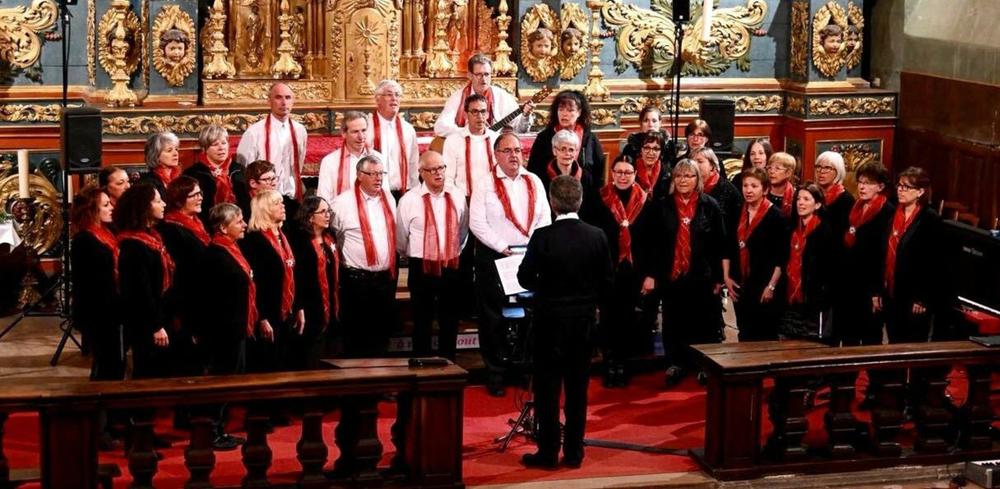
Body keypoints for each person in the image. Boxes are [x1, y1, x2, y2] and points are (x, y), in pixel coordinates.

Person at [517, 175, 612, 469]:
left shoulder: (543, 237)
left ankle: (547, 453)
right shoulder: (597, 236)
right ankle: (574, 453)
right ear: (580, 201)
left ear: (552, 202)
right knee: (577, 391)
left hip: (549, 324)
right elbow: (607, 283)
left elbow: (524, 278)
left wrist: (547, 285)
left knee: (547, 391)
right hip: (582, 325)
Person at [470, 133, 551, 396]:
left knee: (528, 315)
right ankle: (496, 372)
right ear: (496, 155)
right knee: (493, 317)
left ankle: (523, 368)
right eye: (507, 151)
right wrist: (502, 247)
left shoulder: (534, 180)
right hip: (496, 257)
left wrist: (531, 249)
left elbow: (544, 217)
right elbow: (477, 223)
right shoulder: (484, 183)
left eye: (517, 150)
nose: (514, 155)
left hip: (528, 257)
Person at [639, 159, 725, 385]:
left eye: (689, 176)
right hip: (671, 275)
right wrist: (650, 274)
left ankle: (703, 365)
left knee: (703, 321)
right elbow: (652, 246)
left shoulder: (710, 205)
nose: (683, 180)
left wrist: (719, 277)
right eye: (679, 176)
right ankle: (675, 363)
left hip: (702, 275)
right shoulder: (661, 206)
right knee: (673, 320)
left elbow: (719, 244)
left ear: (698, 179)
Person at [396, 151, 469, 359]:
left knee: (450, 319)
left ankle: (449, 362)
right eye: (432, 169)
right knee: (422, 319)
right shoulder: (409, 200)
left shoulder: (456, 195)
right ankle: (422, 363)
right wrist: (411, 254)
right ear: (421, 173)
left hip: (451, 264)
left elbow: (463, 229)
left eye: (441, 168)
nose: (438, 173)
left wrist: (452, 250)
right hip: (421, 266)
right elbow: (401, 237)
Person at [591, 156, 656, 387]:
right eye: (618, 172)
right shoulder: (599, 199)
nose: (623, 176)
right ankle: (609, 364)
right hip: (607, 269)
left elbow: (653, 243)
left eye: (628, 172)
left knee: (628, 319)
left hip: (635, 271)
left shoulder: (646, 201)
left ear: (634, 175)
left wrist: (650, 275)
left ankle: (623, 364)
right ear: (612, 173)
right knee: (608, 318)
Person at [196, 203, 252, 450]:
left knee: (230, 381)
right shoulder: (215, 255)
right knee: (221, 382)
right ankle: (211, 432)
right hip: (222, 331)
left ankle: (219, 429)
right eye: (238, 221)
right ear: (222, 227)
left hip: (236, 327)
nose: (244, 225)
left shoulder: (232, 249)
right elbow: (209, 298)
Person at [70, 186, 123, 448]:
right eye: (105, 205)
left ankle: (110, 423)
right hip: (99, 313)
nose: (111, 207)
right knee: (104, 368)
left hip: (112, 312)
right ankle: (99, 430)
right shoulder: (84, 240)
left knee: (114, 367)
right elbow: (89, 284)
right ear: (91, 210)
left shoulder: (107, 233)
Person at [331, 155, 399, 357]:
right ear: (360, 175)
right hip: (356, 280)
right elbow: (332, 236)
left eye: (381, 173)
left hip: (385, 278)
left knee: (382, 334)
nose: (378, 178)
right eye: (373, 174)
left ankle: (381, 372)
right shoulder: (342, 203)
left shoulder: (388, 198)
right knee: (357, 335)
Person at [874, 166, 942, 344]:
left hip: (913, 298)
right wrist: (877, 291)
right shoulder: (892, 214)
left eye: (906, 187)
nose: (900, 190)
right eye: (899, 186)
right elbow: (881, 254)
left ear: (920, 191)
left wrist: (922, 298)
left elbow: (933, 263)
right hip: (890, 292)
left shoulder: (929, 219)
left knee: (910, 345)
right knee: (892, 342)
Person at [240, 189, 304, 372]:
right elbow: (255, 284)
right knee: (267, 368)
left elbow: (293, 273)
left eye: (282, 202)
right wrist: (262, 317)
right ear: (264, 209)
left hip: (287, 314)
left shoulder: (284, 237)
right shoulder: (253, 241)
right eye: (277, 203)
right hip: (267, 316)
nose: (283, 206)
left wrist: (299, 307)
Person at [722, 168, 786, 341]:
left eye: (754, 186)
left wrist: (771, 286)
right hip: (739, 284)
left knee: (764, 334)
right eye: (745, 185)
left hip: (764, 284)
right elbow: (727, 247)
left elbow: (780, 257)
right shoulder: (737, 212)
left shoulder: (776, 216)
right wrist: (726, 277)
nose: (748, 190)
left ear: (765, 189)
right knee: (744, 332)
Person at [835, 162, 893, 346]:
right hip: (850, 281)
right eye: (860, 182)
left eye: (868, 183)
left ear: (880, 186)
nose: (861, 186)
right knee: (848, 334)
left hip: (870, 284)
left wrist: (877, 291)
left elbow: (882, 256)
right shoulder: (856, 206)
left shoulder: (887, 212)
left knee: (870, 335)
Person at [159, 176, 211, 381]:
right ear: (179, 199)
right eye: (194, 195)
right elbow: (179, 273)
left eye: (200, 193)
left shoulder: (197, 223)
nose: (200, 198)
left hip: (200, 297)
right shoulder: (171, 229)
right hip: (186, 302)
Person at [777, 184, 834, 340]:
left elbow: (829, 269)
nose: (800, 203)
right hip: (790, 299)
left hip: (813, 301)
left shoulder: (824, 232)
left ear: (817, 205)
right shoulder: (791, 230)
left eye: (806, 199)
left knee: (811, 344)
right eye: (798, 199)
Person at [287, 196, 338, 369]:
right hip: (310, 306)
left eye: (328, 211)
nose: (327, 215)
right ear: (310, 217)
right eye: (322, 212)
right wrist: (299, 306)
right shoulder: (299, 242)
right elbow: (297, 278)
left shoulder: (330, 237)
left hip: (331, 303)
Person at [236, 83, 308, 200]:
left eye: (288, 97)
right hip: (264, 198)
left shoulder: (300, 130)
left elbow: (299, 164)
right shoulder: (254, 132)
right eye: (278, 97)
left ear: (293, 101)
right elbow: (245, 170)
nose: (284, 102)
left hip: (292, 194)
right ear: (269, 101)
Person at [434, 54, 533, 138]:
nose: (484, 79)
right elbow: (440, 127)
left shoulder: (502, 96)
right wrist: (467, 132)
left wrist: (525, 116)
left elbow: (520, 129)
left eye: (487, 74)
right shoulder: (458, 97)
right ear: (470, 75)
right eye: (479, 74)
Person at [528, 90, 606, 187]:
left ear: (579, 112)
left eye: (570, 110)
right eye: (561, 109)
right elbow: (533, 171)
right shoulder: (544, 138)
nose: (564, 114)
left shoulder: (590, 139)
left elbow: (599, 174)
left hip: (584, 192)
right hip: (550, 191)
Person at [368, 80, 419, 198]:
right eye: (389, 94)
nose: (394, 98)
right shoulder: (366, 128)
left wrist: (415, 192)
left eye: (397, 95)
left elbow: (413, 164)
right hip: (373, 193)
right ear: (377, 99)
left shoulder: (408, 129)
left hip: (403, 192)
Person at [442, 94, 500, 198]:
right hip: (464, 199)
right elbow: (448, 178)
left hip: (493, 198)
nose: (480, 116)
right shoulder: (453, 141)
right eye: (475, 112)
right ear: (465, 115)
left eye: (483, 111)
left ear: (487, 114)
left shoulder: (496, 139)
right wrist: (457, 200)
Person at [318, 111, 383, 203]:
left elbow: (385, 195)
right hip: (341, 211)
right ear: (344, 133)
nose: (361, 137)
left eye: (364, 130)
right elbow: (324, 199)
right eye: (355, 132)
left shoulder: (379, 158)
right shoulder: (329, 162)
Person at [185, 124, 239, 224]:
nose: (221, 148)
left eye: (224, 143)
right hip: (206, 224)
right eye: (215, 144)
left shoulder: (239, 170)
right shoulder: (193, 174)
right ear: (205, 149)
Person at [537, 129, 597, 215]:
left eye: (571, 150)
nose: (567, 153)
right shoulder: (542, 176)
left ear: (576, 152)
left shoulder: (586, 176)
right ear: (554, 151)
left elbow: (591, 207)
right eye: (563, 149)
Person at [691, 146, 743, 234]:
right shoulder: (689, 187)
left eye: (700, 161)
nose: (694, 165)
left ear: (712, 166)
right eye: (692, 162)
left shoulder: (728, 190)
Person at [814, 151, 855, 240]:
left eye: (827, 168)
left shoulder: (846, 199)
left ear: (838, 171)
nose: (821, 171)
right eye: (818, 167)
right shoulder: (812, 194)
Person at [620, 106, 675, 172]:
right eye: (646, 120)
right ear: (641, 123)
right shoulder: (630, 148)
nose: (650, 125)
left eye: (654, 121)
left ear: (660, 123)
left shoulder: (669, 146)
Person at [139, 131, 181, 197]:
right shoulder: (148, 182)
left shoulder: (181, 178)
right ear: (156, 155)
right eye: (169, 150)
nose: (176, 154)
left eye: (176, 149)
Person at [630, 132, 671, 199]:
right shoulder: (631, 170)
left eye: (656, 149)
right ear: (640, 150)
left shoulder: (667, 172)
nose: (651, 153)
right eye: (646, 148)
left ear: (661, 152)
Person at [766, 151, 798, 219]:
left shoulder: (795, 197)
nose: (771, 171)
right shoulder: (762, 192)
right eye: (769, 167)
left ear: (788, 173)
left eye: (777, 168)